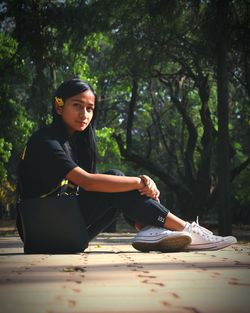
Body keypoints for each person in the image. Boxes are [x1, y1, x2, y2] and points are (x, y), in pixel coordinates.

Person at [17, 78, 237, 252]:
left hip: (60, 229)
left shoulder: (74, 144)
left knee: (116, 182)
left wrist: (134, 185)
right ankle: (184, 228)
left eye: (90, 108)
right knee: (116, 178)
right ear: (59, 107)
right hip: (41, 230)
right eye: (77, 105)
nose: (84, 114)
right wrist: (139, 181)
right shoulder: (46, 141)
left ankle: (149, 229)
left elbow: (92, 188)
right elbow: (87, 182)